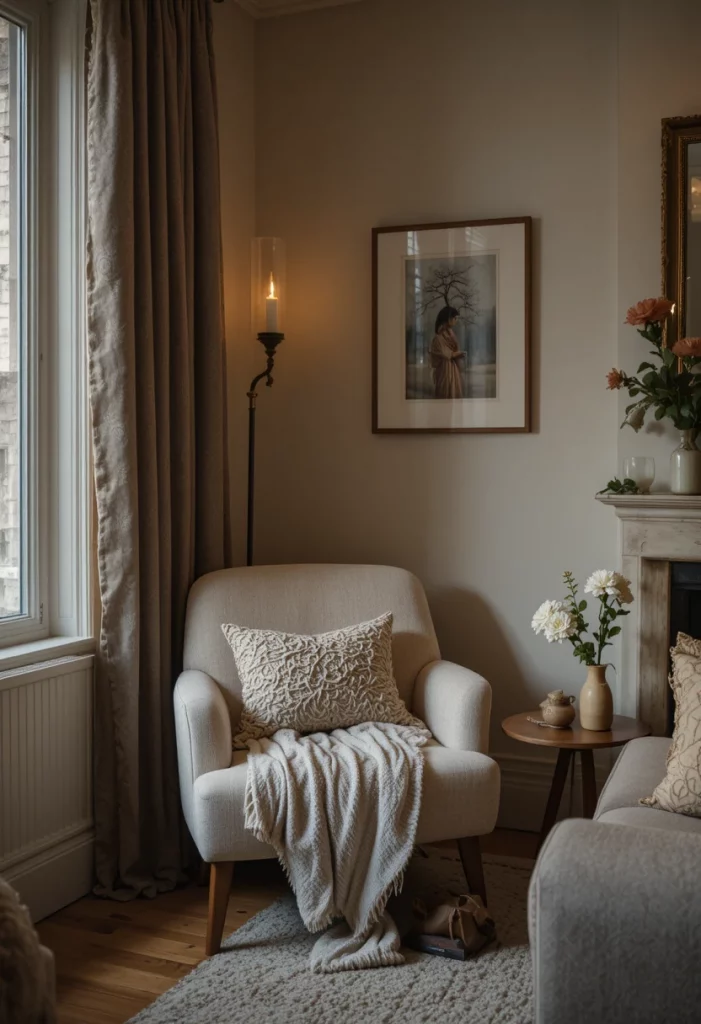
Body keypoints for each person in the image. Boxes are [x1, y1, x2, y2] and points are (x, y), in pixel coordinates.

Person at [430, 306, 465, 399]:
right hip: (445, 371)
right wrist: (457, 354)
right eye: (455, 318)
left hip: (453, 370)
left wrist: (457, 354)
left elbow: (453, 351)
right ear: (448, 318)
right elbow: (446, 354)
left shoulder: (452, 335)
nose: (456, 320)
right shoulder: (438, 338)